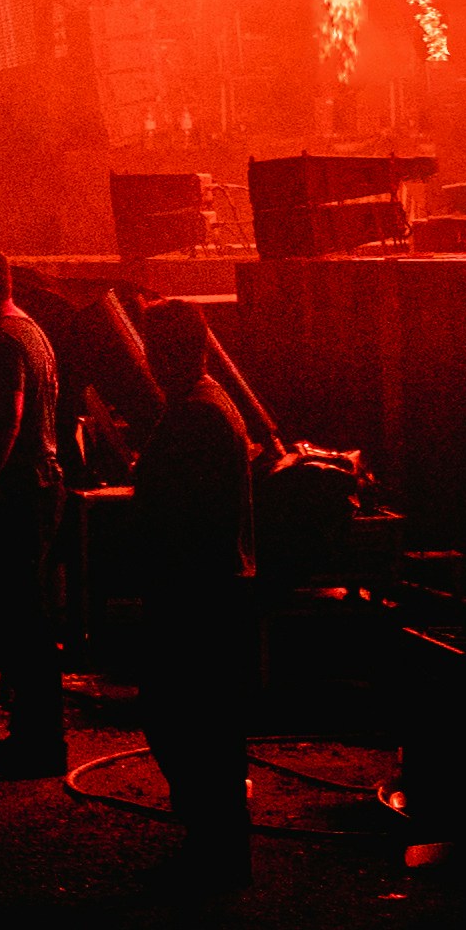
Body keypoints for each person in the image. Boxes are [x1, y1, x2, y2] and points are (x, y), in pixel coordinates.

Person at [131, 304, 263, 875]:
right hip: (209, 586)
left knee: (185, 717)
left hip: (195, 589)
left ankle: (217, 844)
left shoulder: (194, 415)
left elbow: (186, 513)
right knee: (204, 722)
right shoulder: (208, 406)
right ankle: (217, 841)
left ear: (167, 352)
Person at [0, 245, 69, 779]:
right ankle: (35, 734)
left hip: (20, 489)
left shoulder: (1, 342)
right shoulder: (34, 332)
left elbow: (7, 418)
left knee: (24, 619)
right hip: (46, 482)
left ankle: (37, 741)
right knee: (36, 616)